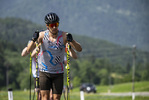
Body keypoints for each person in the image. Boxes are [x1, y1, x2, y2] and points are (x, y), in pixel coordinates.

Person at [27, 12, 82, 100]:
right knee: (45, 98)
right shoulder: (41, 35)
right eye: (52, 25)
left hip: (58, 73)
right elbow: (29, 50)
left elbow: (79, 49)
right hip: (44, 72)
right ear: (47, 26)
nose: (54, 27)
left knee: (56, 98)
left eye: (56, 24)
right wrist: (33, 40)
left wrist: (72, 41)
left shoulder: (64, 35)